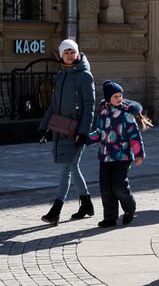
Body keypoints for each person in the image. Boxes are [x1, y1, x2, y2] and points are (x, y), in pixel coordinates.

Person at [39, 39, 96, 226]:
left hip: (76, 131)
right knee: (72, 166)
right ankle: (86, 203)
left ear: (78, 53)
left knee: (66, 168)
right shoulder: (61, 75)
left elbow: (90, 106)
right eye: (66, 52)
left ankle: (55, 210)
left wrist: (84, 131)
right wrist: (44, 126)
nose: (70, 55)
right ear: (62, 55)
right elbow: (54, 105)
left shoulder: (84, 76)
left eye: (73, 51)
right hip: (61, 128)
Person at [87, 80, 150, 227]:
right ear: (108, 98)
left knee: (119, 186)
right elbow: (101, 133)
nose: (119, 99)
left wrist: (139, 154)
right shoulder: (103, 113)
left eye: (120, 95)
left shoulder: (126, 114)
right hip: (105, 157)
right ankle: (110, 218)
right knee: (106, 189)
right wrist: (86, 139)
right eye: (115, 96)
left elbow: (134, 136)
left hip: (122, 156)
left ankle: (129, 208)